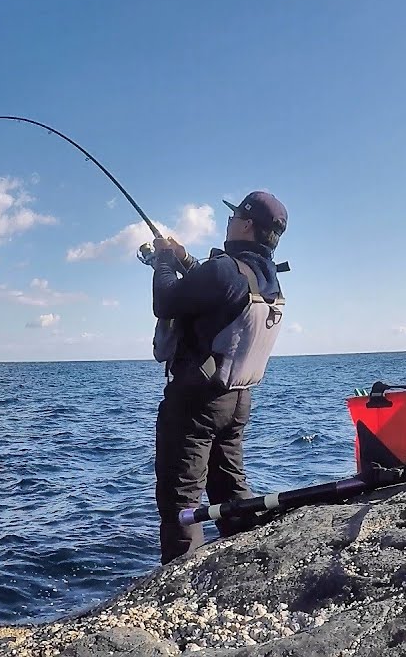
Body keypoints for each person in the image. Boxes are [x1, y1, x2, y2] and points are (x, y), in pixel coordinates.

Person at [149, 190, 288, 564]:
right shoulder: (266, 276)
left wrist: (163, 260)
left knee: (180, 498)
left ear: (245, 224)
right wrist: (185, 259)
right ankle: (250, 562)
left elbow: (166, 300)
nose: (227, 222)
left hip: (196, 402)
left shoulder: (224, 270)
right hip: (237, 398)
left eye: (233, 217)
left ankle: (176, 585)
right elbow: (221, 290)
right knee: (229, 487)